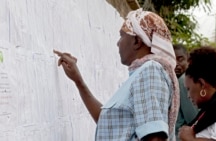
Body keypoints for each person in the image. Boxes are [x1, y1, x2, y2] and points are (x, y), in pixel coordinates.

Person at [54, 8, 179, 141]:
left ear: (137, 41)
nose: (118, 43)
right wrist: (78, 81)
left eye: (122, 36)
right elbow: (106, 122)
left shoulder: (150, 71)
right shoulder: (143, 74)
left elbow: (154, 137)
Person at [173, 44, 198, 141]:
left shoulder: (183, 81)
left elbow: (193, 118)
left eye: (180, 59)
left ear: (188, 59)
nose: (176, 64)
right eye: (172, 59)